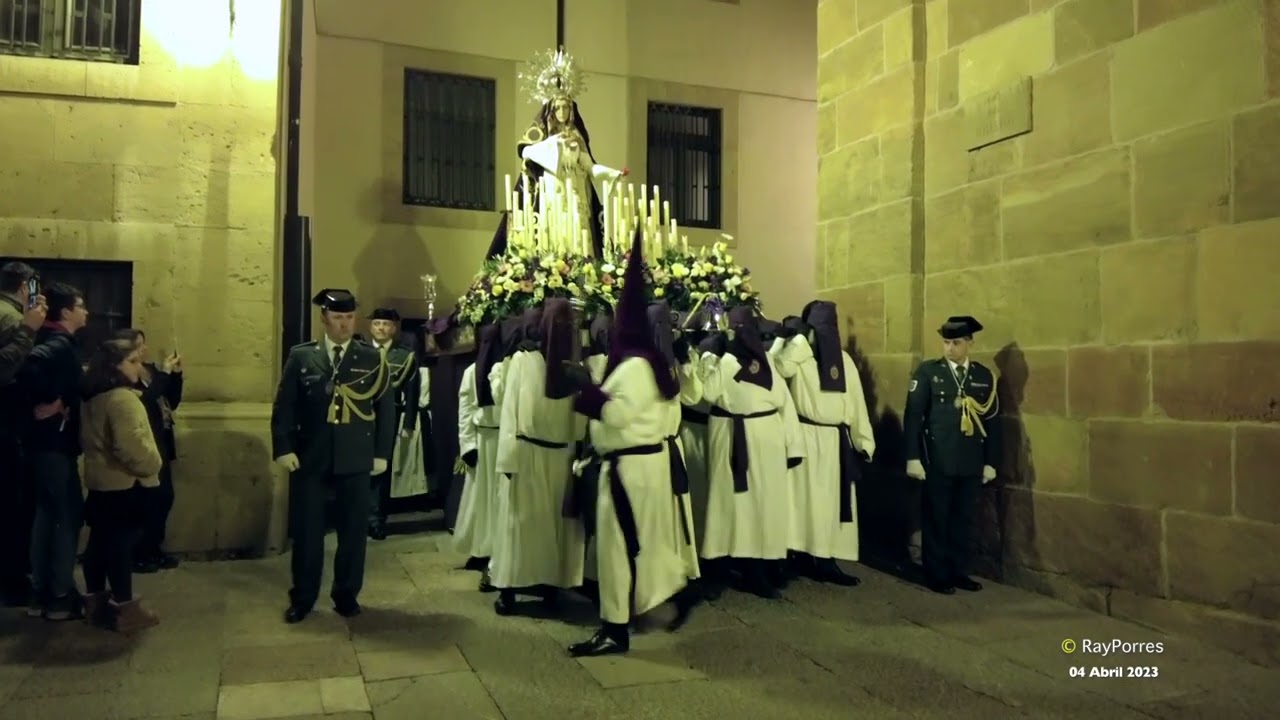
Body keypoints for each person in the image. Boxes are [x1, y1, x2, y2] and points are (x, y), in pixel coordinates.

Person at [563, 231, 700, 657]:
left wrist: (586, 390)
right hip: (641, 468)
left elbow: (620, 415)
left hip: (630, 471)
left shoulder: (636, 367)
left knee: (619, 548)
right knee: (639, 542)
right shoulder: (651, 364)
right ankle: (644, 609)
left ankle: (614, 629)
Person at [271, 289, 395, 623]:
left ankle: (346, 595)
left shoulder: (370, 358)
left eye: (349, 317)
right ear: (324, 319)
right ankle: (303, 596)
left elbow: (386, 408)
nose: (344, 324)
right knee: (308, 533)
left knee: (353, 533)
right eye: (338, 318)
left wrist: (381, 453)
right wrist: (283, 447)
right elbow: (285, 406)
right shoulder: (302, 357)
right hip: (311, 458)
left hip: (356, 457)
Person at [698, 305, 805, 599]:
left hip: (765, 440)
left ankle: (759, 568)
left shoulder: (767, 364)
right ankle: (719, 564)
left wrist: (793, 446)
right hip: (730, 436)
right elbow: (707, 393)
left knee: (762, 506)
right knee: (727, 505)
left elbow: (784, 405)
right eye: (735, 329)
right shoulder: (720, 360)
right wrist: (716, 356)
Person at [490, 301, 585, 615]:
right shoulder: (525, 359)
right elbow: (511, 411)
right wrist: (507, 458)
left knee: (553, 526)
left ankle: (551, 584)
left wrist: (579, 452)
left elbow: (580, 415)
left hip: (560, 455)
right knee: (520, 525)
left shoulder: (574, 366)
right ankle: (508, 587)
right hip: (528, 454)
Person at [774, 301, 875, 586]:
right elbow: (779, 369)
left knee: (829, 503)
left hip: (834, 442)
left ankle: (826, 559)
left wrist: (863, 440)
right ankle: (796, 555)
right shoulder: (799, 356)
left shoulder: (844, 362)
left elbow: (856, 402)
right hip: (804, 437)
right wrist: (800, 344)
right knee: (800, 501)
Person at [903, 315, 1001, 595]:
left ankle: (959, 570)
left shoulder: (983, 377)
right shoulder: (928, 373)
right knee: (937, 518)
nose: (949, 349)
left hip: (970, 461)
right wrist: (913, 457)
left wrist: (991, 461)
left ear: (969, 342)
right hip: (938, 459)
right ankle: (936, 573)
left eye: (956, 343)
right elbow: (913, 418)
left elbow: (993, 421)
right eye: (946, 342)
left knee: (964, 519)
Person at [79, 337, 164, 632]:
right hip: (124, 485)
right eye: (132, 361)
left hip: (101, 484)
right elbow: (130, 447)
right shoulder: (122, 399)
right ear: (115, 367)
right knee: (119, 546)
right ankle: (125, 608)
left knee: (100, 544)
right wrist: (154, 464)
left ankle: (96, 603)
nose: (139, 367)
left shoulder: (93, 397)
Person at [21, 283, 89, 620]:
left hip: (40, 443)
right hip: (55, 444)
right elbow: (30, 368)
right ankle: (60, 594)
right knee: (66, 516)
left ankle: (40, 592)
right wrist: (54, 401)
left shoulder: (48, 340)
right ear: (66, 312)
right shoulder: (59, 344)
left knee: (46, 515)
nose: (86, 312)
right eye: (81, 306)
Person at [111, 329, 184, 574]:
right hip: (144, 442)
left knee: (164, 497)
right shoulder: (124, 375)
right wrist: (164, 374)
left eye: (144, 343)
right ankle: (139, 552)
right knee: (147, 500)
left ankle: (153, 547)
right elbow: (145, 399)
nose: (144, 349)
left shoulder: (150, 370)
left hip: (162, 439)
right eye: (138, 345)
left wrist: (176, 375)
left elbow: (169, 400)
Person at [0, 261, 47, 607]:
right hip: (8, 425)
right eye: (34, 287)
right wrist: (30, 328)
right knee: (13, 506)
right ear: (25, 285)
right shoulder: (11, 318)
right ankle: (13, 582)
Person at [454, 322, 503, 591]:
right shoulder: (473, 372)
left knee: (498, 500)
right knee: (479, 498)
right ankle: (480, 547)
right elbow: (466, 408)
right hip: (483, 440)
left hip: (503, 440)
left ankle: (495, 551)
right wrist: (467, 445)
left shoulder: (507, 371)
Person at [365, 308, 420, 540]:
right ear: (370, 327)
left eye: (386, 324)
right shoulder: (360, 353)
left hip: (389, 416)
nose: (380, 328)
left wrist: (408, 422)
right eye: (376, 323)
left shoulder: (404, 356)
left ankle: (376, 518)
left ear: (394, 328)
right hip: (359, 417)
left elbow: (412, 391)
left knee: (381, 467)